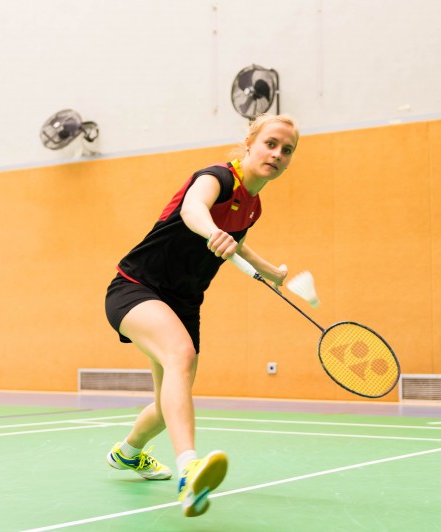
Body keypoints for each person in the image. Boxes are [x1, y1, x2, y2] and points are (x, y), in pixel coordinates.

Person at [103, 113, 299, 517]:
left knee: (167, 403)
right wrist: (211, 233)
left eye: (287, 150)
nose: (277, 154)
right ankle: (189, 470)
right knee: (180, 356)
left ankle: (127, 453)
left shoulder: (253, 206)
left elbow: (238, 245)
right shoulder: (217, 178)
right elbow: (194, 209)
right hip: (137, 287)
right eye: (271, 143)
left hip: (185, 301)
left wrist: (272, 272)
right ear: (250, 142)